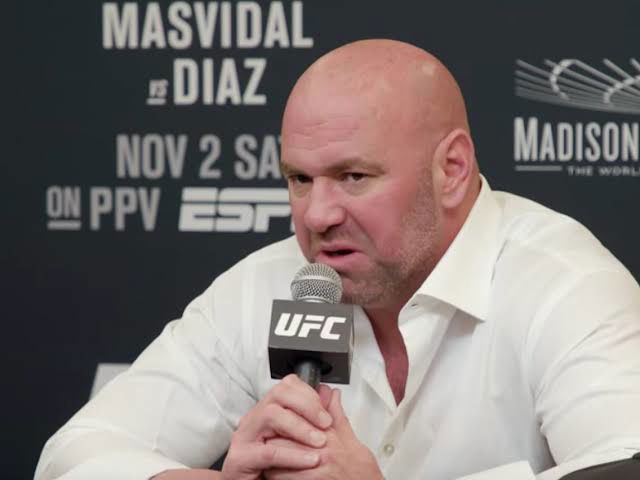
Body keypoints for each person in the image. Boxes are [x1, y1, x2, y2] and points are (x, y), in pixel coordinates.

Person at [35, 39, 640, 480]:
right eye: (299, 179)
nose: (317, 215)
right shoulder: (267, 285)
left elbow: (622, 466)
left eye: (353, 176)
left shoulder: (565, 285)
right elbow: (74, 454)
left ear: (451, 170)